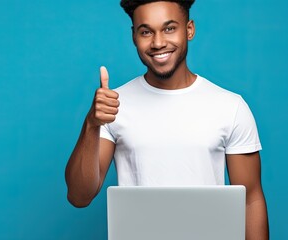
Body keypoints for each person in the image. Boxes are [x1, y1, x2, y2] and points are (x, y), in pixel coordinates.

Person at [65, 0, 269, 239]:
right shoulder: (114, 106)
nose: (158, 42)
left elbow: (251, 199)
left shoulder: (230, 106)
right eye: (146, 32)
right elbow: (79, 197)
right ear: (134, 37)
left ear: (189, 30)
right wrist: (91, 123)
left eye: (169, 28)